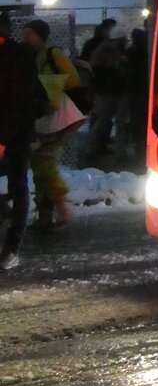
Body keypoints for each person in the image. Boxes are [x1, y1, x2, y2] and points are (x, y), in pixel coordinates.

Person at [0, 11, 50, 270]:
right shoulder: (20, 56)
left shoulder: (18, 57)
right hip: (11, 133)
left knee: (18, 185)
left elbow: (20, 103)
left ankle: (12, 247)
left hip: (14, 135)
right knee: (16, 186)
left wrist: (4, 138)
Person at [24, 19, 80, 230]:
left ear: (40, 35)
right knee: (39, 166)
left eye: (29, 33)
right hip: (38, 118)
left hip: (55, 119)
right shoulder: (28, 56)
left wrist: (51, 88)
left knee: (46, 164)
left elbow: (73, 79)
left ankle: (61, 208)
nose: (25, 37)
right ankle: (46, 214)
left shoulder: (52, 54)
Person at [87, 23, 130, 165]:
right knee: (121, 123)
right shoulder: (119, 52)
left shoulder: (100, 50)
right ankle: (120, 153)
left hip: (104, 92)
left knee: (102, 121)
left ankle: (92, 148)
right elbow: (118, 71)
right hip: (117, 91)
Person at [126, 27, 150, 168]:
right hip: (143, 92)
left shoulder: (130, 53)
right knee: (143, 125)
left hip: (134, 92)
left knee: (137, 124)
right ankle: (141, 154)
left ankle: (138, 152)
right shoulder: (147, 53)